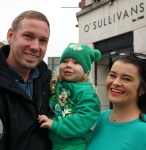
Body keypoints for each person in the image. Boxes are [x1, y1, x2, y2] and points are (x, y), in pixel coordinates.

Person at [0, 10, 52, 150]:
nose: (35, 47)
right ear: (11, 36)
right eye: (28, 36)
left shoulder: (50, 81)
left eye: (43, 40)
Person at [38, 43, 101, 150]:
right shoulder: (56, 84)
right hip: (53, 142)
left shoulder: (86, 91)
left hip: (73, 145)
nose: (69, 65)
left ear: (85, 70)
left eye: (76, 62)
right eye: (65, 61)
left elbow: (84, 119)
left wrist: (55, 125)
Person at [87, 52, 146, 150]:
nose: (115, 82)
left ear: (143, 89)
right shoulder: (102, 117)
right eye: (112, 75)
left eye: (127, 79)